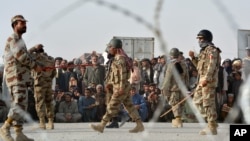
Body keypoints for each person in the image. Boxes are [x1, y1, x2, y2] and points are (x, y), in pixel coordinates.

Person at [0, 15, 42, 141]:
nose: (25, 25)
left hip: (22, 78)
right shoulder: (13, 38)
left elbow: (23, 54)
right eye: (21, 23)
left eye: (25, 23)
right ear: (14, 25)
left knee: (22, 106)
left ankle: (19, 134)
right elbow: (20, 56)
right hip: (16, 78)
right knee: (18, 104)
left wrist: (33, 49)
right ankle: (5, 128)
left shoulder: (19, 40)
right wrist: (35, 66)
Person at [90, 38, 144, 133]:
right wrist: (110, 84)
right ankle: (140, 125)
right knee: (129, 106)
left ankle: (101, 125)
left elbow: (122, 75)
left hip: (120, 88)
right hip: (119, 86)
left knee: (111, 106)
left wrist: (121, 88)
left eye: (110, 47)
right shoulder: (116, 59)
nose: (109, 49)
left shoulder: (120, 59)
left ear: (115, 48)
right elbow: (115, 75)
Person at [193, 29, 221, 135]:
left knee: (208, 103)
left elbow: (212, 66)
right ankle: (211, 122)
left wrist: (207, 79)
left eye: (201, 38)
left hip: (208, 80)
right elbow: (200, 67)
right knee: (196, 101)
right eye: (198, 39)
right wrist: (192, 58)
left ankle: (211, 125)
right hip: (202, 80)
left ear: (206, 38)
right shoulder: (203, 51)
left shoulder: (212, 50)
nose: (199, 41)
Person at [29, 45, 56, 129]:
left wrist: (34, 48)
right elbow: (54, 73)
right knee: (49, 102)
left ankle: (42, 122)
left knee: (40, 103)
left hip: (39, 84)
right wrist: (48, 79)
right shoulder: (51, 59)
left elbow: (25, 54)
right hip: (48, 83)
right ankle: (51, 122)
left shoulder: (36, 57)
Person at [161, 48, 189, 128]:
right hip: (183, 88)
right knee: (181, 104)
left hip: (174, 89)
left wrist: (164, 88)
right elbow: (187, 77)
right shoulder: (184, 64)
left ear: (171, 55)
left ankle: (178, 120)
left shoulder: (170, 65)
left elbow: (167, 78)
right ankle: (179, 119)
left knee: (175, 104)